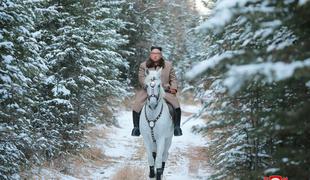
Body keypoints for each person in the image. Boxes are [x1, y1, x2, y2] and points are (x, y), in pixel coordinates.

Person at [131, 46, 183, 136]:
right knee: (137, 105)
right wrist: (147, 86)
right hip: (148, 90)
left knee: (176, 106)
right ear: (150, 54)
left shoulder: (168, 65)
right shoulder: (143, 65)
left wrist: (174, 87)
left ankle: (177, 127)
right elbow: (141, 78)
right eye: (153, 54)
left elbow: (173, 78)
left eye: (157, 54)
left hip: (165, 91)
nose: (155, 56)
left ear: (161, 55)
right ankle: (136, 128)